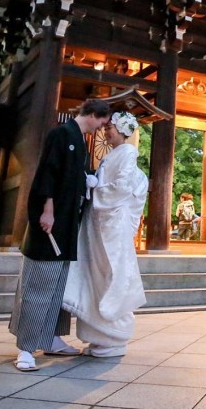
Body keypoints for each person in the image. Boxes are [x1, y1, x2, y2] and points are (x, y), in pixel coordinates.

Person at [9, 98, 111, 371]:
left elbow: (73, 176)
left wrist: (88, 179)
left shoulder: (79, 140)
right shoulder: (60, 134)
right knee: (39, 284)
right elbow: (48, 175)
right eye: (102, 121)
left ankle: (52, 338)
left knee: (58, 285)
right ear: (92, 114)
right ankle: (27, 348)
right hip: (51, 222)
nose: (102, 127)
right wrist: (47, 210)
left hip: (67, 223)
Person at [63, 110, 149, 357]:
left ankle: (114, 335)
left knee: (110, 274)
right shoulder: (115, 154)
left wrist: (96, 186)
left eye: (110, 127)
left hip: (111, 225)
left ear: (122, 129)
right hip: (100, 221)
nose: (105, 130)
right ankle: (99, 336)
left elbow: (122, 187)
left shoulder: (128, 153)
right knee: (96, 277)